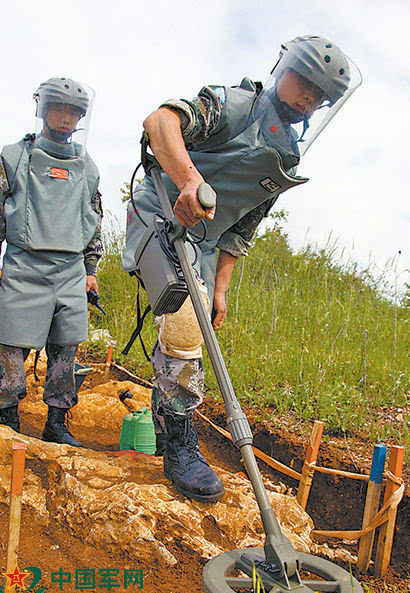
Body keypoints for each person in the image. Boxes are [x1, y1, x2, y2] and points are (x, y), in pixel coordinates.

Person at [122, 36, 362, 503]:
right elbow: (160, 122)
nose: (310, 98)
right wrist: (189, 179)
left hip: (207, 241)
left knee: (190, 326)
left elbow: (242, 227)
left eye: (320, 95)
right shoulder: (237, 105)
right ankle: (179, 445)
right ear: (284, 70)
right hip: (160, 209)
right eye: (305, 82)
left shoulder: (288, 152)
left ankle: (168, 423)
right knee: (185, 323)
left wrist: (222, 288)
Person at [0, 77, 103, 447]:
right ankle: (8, 421)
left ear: (81, 117)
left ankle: (56, 424)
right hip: (22, 267)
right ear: (42, 109)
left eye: (74, 112)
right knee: (12, 352)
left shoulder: (87, 166)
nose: (66, 118)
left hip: (69, 272)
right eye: (59, 108)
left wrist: (91, 269)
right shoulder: (15, 156)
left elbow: (93, 217)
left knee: (66, 349)